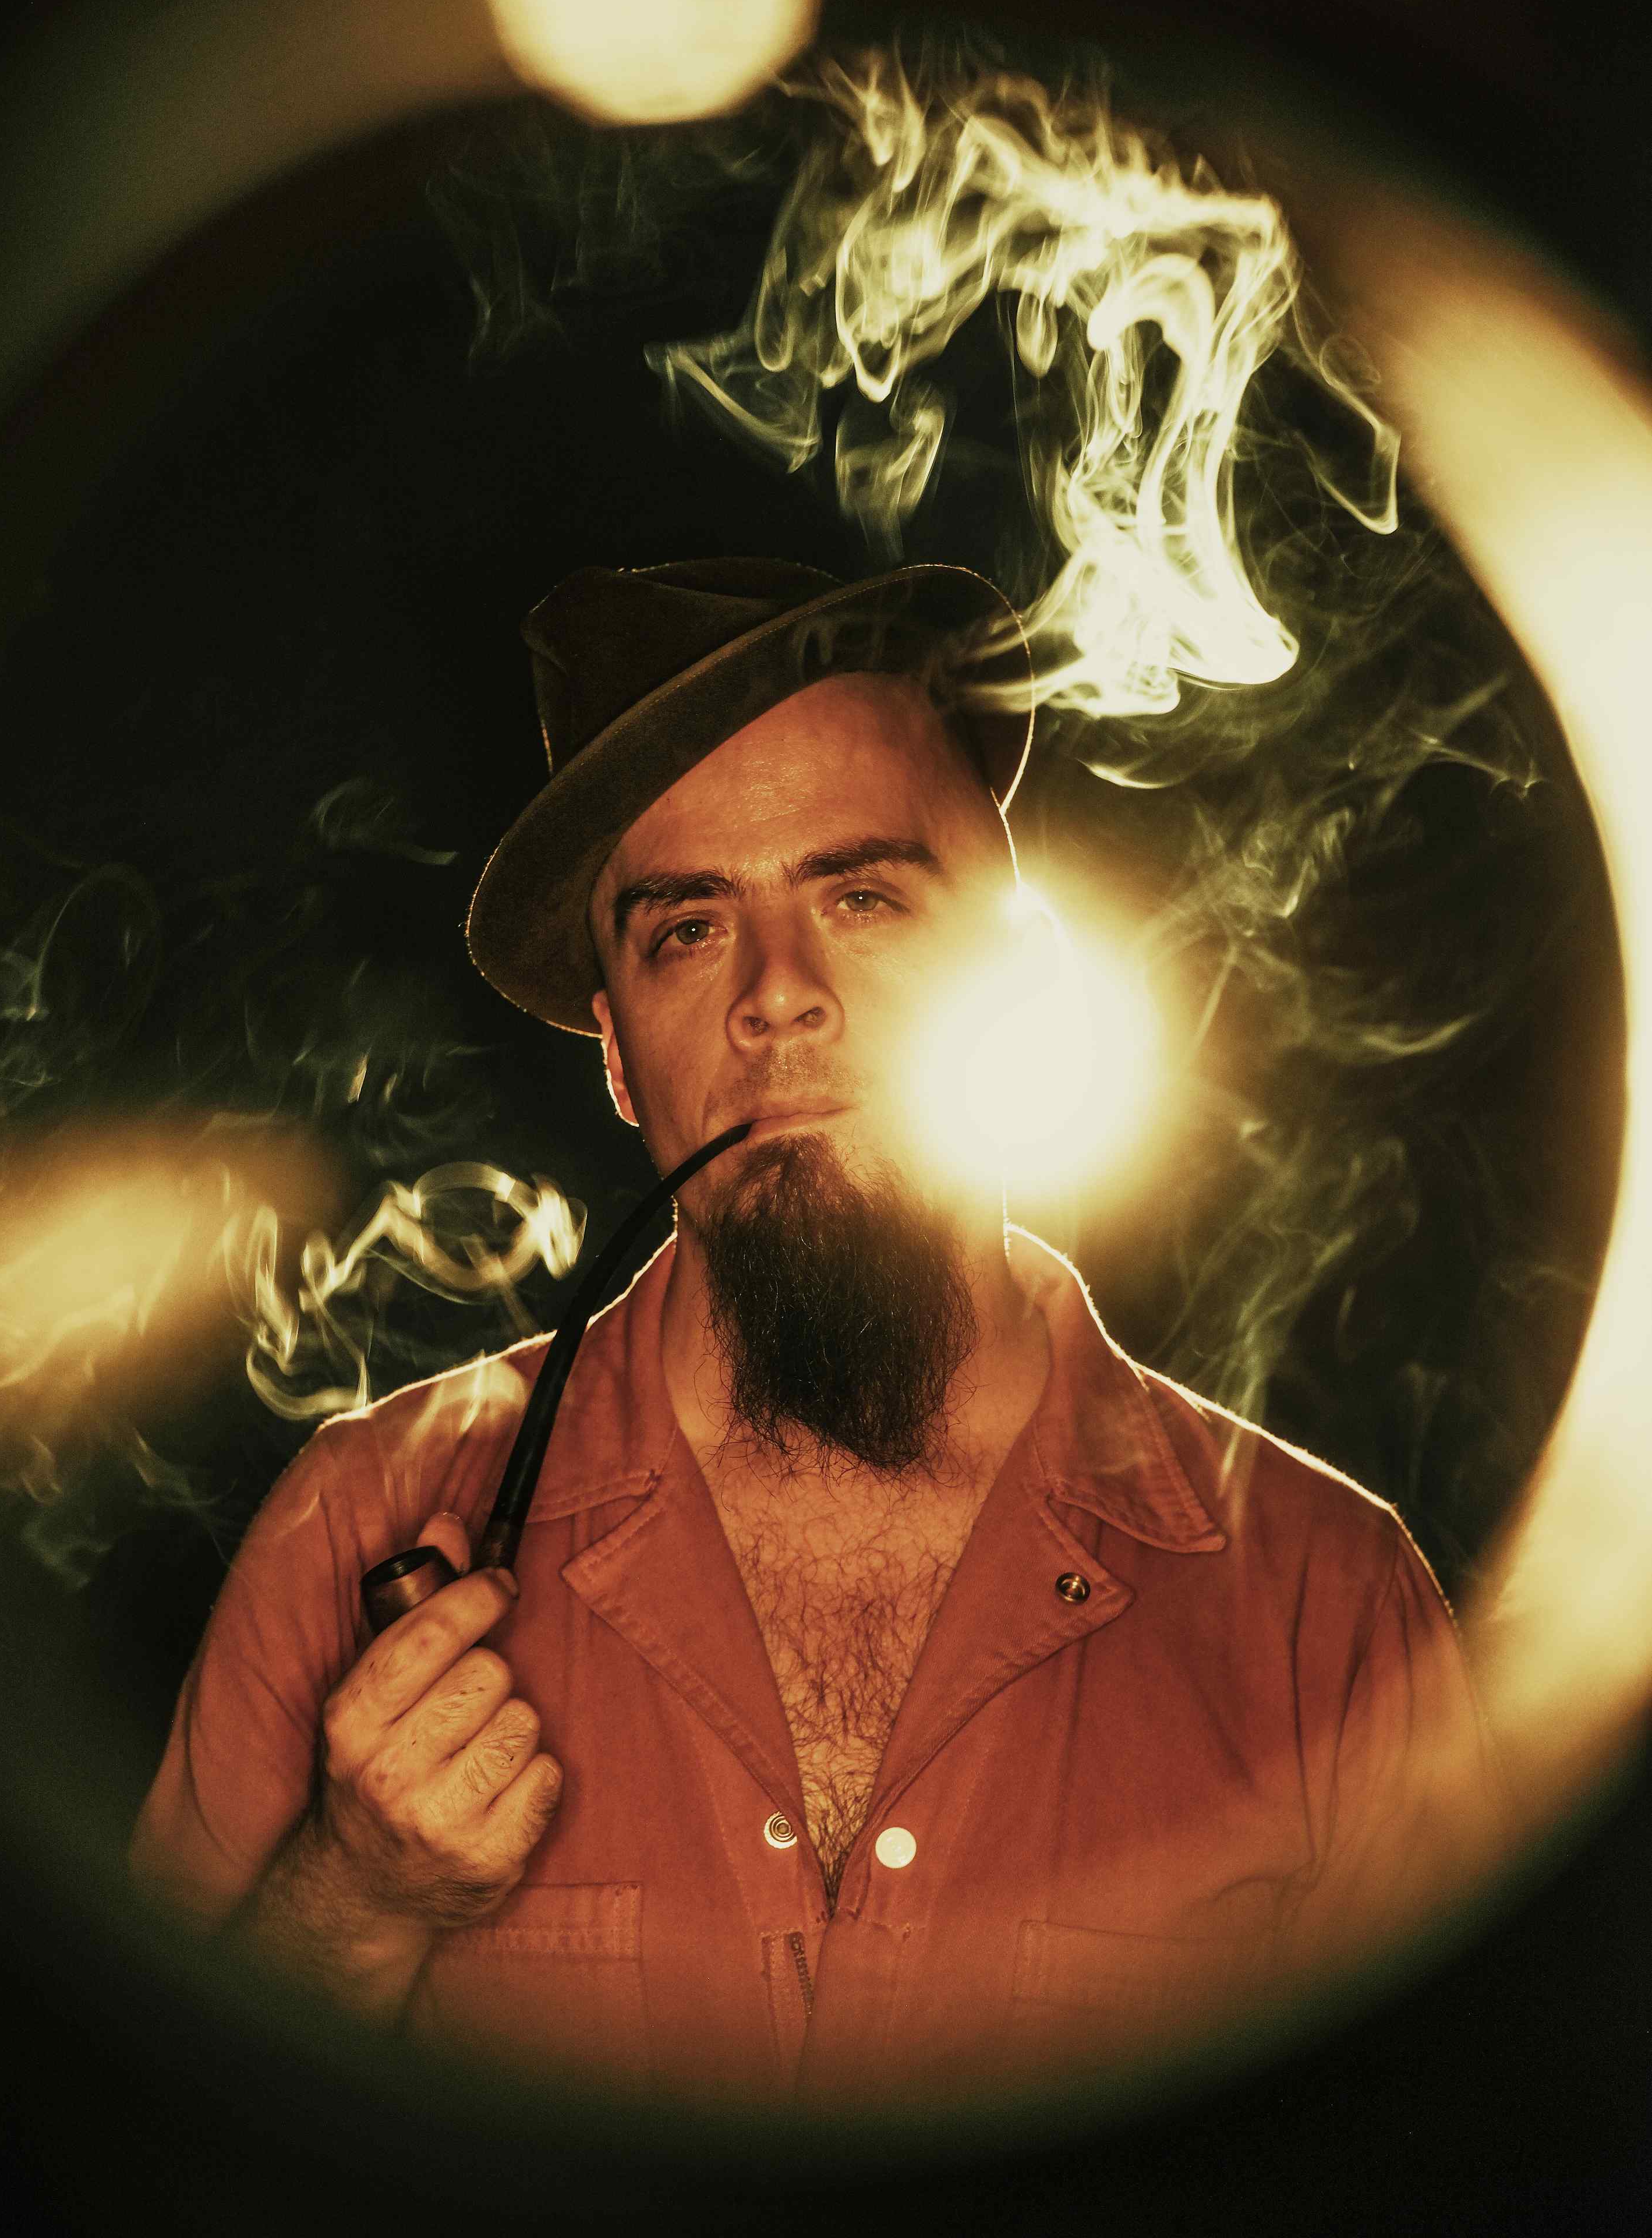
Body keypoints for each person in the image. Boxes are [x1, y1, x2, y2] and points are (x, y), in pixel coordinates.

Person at [130, 557, 1499, 2113]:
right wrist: (358, 1896)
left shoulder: (1319, 1602)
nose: (778, 996)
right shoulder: (361, 1527)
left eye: (861, 899)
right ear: (618, 1058)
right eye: (688, 928)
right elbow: (147, 2154)